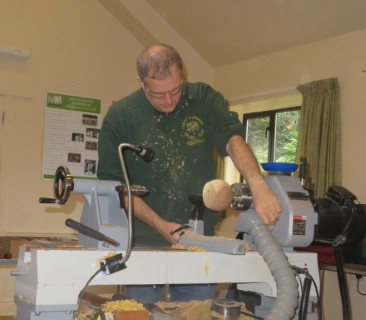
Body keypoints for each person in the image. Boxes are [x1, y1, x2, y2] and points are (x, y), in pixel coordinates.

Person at [97, 43, 281, 303]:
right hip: (144, 241)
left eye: (175, 90)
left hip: (200, 240)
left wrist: (258, 184)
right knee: (139, 311)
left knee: (196, 312)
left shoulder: (203, 99)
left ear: (181, 73)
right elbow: (115, 188)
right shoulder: (121, 116)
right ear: (141, 82)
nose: (170, 101)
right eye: (159, 95)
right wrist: (162, 226)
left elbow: (232, 139)